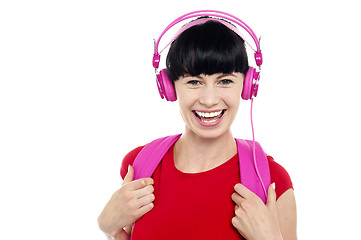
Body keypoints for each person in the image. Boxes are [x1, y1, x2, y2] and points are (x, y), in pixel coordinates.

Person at [98, 11, 297, 240]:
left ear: (247, 85)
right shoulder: (140, 166)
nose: (209, 99)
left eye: (225, 81)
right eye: (194, 81)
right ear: (170, 87)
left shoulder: (271, 181)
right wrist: (108, 227)